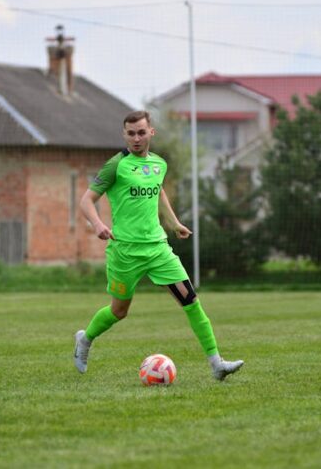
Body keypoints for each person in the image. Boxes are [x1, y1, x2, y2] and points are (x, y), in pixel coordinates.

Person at [74, 110, 244, 381]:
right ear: (124, 135)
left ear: (151, 132)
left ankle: (217, 364)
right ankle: (85, 338)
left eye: (141, 132)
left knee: (191, 302)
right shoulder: (116, 165)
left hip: (158, 249)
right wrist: (97, 225)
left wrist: (174, 223)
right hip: (125, 252)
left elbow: (159, 191)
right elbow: (86, 200)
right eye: (131, 133)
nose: (136, 138)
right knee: (119, 311)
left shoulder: (159, 165)